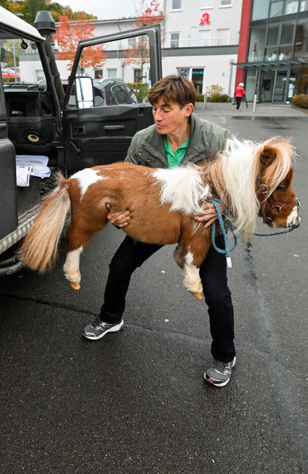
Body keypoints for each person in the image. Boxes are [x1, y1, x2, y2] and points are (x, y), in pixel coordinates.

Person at [81, 75, 237, 388]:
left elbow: (238, 187)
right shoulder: (143, 141)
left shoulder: (218, 140)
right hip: (157, 218)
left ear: (188, 109)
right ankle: (111, 318)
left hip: (200, 222)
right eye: (154, 108)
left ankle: (225, 356)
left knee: (217, 293)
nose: (157, 115)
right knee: (118, 266)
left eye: (166, 109)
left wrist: (220, 207)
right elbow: (122, 183)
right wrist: (116, 212)